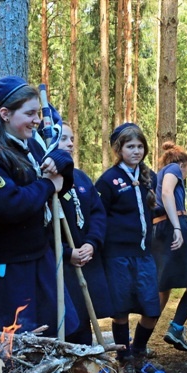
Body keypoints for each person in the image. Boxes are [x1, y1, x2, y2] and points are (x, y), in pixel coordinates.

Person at [0, 76, 79, 347]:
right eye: (29, 113)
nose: (37, 119)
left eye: (38, 112)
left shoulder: (30, 143)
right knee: (10, 347)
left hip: (37, 257)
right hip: (4, 269)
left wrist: (61, 162)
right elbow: (11, 205)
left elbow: (60, 179)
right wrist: (48, 184)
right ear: (5, 114)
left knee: (50, 336)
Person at [95, 123, 160, 373]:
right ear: (118, 149)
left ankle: (139, 351)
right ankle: (124, 359)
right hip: (117, 255)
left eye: (140, 146)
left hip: (144, 254)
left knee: (151, 308)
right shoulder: (108, 180)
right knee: (120, 310)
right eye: (130, 146)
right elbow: (98, 216)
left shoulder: (148, 177)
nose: (136, 151)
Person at [57, 122, 115, 345]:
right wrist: (66, 252)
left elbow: (98, 213)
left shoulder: (80, 178)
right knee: (65, 321)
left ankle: (85, 371)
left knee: (83, 318)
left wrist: (91, 243)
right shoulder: (43, 180)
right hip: (60, 265)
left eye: (71, 138)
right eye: (63, 138)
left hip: (86, 260)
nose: (70, 143)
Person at [152, 142, 187, 352]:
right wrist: (176, 227)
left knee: (162, 288)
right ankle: (176, 327)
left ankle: (140, 341)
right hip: (173, 226)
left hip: (160, 229)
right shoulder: (174, 168)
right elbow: (167, 195)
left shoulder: (158, 174)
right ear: (183, 164)